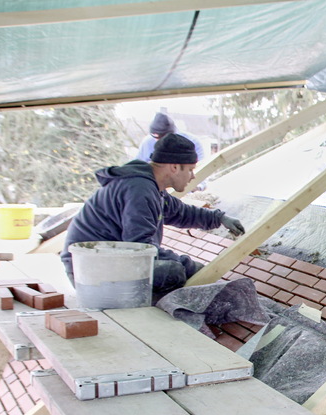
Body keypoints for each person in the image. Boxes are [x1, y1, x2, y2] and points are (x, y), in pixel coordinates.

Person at [61, 133, 245, 295]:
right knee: (172, 273)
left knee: (171, 271)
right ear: (174, 167)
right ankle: (152, 317)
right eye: (190, 169)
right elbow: (142, 252)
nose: (193, 176)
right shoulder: (139, 190)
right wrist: (191, 267)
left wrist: (219, 218)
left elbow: (180, 212)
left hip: (104, 261)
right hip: (90, 270)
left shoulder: (150, 186)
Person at [136, 112, 205, 163]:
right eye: (155, 138)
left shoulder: (193, 142)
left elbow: (202, 173)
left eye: (162, 138)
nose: (158, 142)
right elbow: (139, 168)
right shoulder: (147, 143)